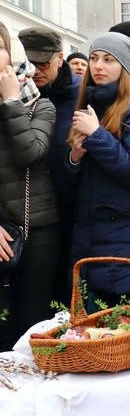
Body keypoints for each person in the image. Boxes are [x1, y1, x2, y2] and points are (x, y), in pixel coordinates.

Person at [66, 32, 130, 306]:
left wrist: (96, 134)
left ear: (124, 67)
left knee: (123, 321)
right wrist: (74, 156)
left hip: (122, 232)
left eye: (109, 60)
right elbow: (71, 177)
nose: (98, 66)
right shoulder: (86, 102)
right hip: (86, 231)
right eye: (94, 58)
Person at [0, 25, 58, 350]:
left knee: (33, 327)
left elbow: (31, 152)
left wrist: (10, 101)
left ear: (13, 54)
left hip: (38, 231)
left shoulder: (41, 106)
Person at [18, 27, 81, 304]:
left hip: (73, 206)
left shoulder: (82, 93)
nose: (36, 71)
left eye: (43, 63)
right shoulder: (15, 92)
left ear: (60, 58)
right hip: (30, 211)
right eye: (29, 63)